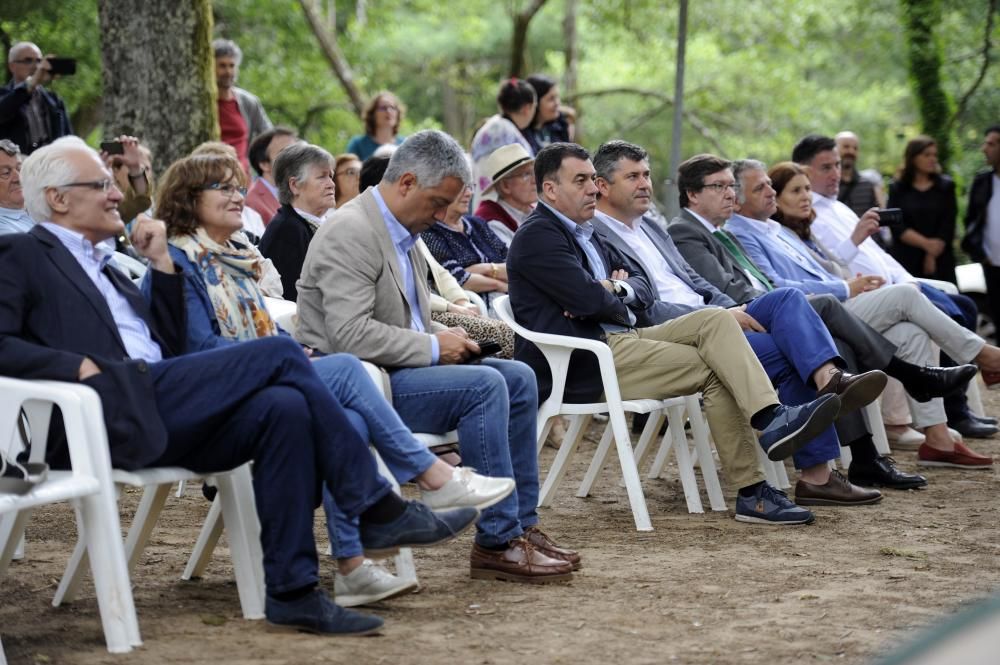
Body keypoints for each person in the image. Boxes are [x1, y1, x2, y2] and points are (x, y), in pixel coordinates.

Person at [0, 135, 480, 635]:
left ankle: (293, 592)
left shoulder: (114, 268)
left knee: (284, 408)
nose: (117, 193)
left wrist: (160, 265)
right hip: (91, 415)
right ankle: (377, 502)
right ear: (58, 198)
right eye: (100, 184)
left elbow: (164, 344)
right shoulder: (20, 254)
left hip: (154, 406)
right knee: (281, 353)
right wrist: (74, 366)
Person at [154, 151, 513, 607]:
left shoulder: (237, 256)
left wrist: (283, 352)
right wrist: (277, 355)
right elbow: (194, 351)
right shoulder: (177, 263)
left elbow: (261, 331)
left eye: (237, 186)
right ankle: (433, 478)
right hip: (215, 398)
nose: (237, 196)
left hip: (265, 379)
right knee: (344, 366)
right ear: (187, 199)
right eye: (222, 188)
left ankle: (353, 570)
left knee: (352, 418)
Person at [508, 142, 847, 525]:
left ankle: (772, 417)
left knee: (716, 319)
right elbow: (589, 302)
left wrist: (615, 289)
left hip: (626, 339)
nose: (593, 188)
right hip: (586, 361)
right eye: (581, 180)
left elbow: (643, 286)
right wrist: (608, 293)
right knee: (717, 369)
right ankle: (753, 492)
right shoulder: (539, 236)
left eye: (592, 179)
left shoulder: (588, 232)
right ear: (551, 189)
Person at [296, 130, 580, 581]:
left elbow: (404, 314)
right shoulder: (351, 231)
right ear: (406, 182)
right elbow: (348, 335)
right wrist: (432, 346)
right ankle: (498, 540)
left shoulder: (400, 227)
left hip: (398, 371)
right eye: (436, 203)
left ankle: (521, 526)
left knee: (519, 377)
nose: (441, 215)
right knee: (486, 385)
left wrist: (441, 334)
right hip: (364, 387)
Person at [593, 142, 920, 493]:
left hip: (719, 315)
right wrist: (719, 315)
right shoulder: (598, 234)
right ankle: (817, 477)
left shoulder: (651, 227)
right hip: (676, 333)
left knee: (788, 300)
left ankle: (831, 379)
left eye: (646, 174)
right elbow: (643, 305)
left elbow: (695, 281)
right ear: (603, 185)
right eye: (632, 176)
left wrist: (734, 309)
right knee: (792, 351)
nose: (645, 183)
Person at [729, 157, 996, 470]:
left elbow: (824, 267)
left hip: (840, 303)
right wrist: (846, 285)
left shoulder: (777, 228)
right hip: (819, 311)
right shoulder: (741, 232)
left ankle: (937, 439)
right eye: (761, 188)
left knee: (911, 333)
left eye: (771, 186)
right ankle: (984, 357)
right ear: (738, 199)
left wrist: (850, 280)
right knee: (907, 295)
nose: (771, 192)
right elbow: (774, 285)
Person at [259, 143, 336, 301]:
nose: (331, 184)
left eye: (331, 176)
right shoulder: (287, 230)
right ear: (294, 185)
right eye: (322, 177)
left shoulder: (314, 224)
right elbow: (291, 299)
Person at [420, 186, 509, 313]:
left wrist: (486, 269)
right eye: (461, 187)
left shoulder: (477, 224)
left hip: (507, 304)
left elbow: (515, 267)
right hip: (473, 309)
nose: (469, 193)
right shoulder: (430, 231)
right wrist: (501, 285)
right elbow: (458, 279)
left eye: (470, 187)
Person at [887, 136, 957, 283]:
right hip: (907, 258)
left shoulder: (945, 186)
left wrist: (931, 255)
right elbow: (896, 225)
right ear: (912, 158)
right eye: (926, 155)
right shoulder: (897, 188)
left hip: (941, 258)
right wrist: (927, 245)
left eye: (934, 155)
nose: (933, 159)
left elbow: (948, 224)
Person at [0, 42, 73, 154]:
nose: (36, 66)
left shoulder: (54, 100)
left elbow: (69, 137)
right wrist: (30, 84)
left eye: (39, 61)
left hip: (51, 163)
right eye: (28, 61)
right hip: (17, 165)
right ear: (12, 66)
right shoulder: (4, 95)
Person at [470, 79, 536, 200]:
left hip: (481, 199)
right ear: (527, 108)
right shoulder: (506, 130)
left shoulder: (492, 125)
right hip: (501, 204)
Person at [213, 39, 272, 175]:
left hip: (242, 180)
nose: (228, 71)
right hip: (211, 181)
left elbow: (270, 136)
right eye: (222, 66)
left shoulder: (248, 102)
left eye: (231, 66)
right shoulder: (202, 105)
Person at [961, 125, 1000, 331]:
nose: (984, 148)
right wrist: (980, 255)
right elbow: (971, 220)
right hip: (991, 264)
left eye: (991, 144)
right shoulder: (982, 181)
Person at [190, 141, 265, 242]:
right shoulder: (178, 251)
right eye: (225, 188)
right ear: (196, 191)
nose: (239, 198)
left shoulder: (251, 221)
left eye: (239, 189)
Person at [473, 143, 537, 246]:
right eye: (526, 174)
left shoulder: (533, 210)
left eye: (534, 173)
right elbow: (517, 260)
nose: (534, 180)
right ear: (505, 186)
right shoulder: (490, 222)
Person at [245, 126, 299, 223]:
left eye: (297, 152)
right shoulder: (252, 204)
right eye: (285, 153)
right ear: (264, 164)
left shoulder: (299, 193)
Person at [346, 92, 405, 161]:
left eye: (392, 107)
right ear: (373, 114)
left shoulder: (405, 144)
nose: (389, 111)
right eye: (383, 108)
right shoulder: (358, 144)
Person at [521, 74, 573, 154]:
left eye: (557, 97)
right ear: (535, 103)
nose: (557, 103)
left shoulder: (560, 125)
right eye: (551, 99)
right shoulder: (521, 135)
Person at [0, 139, 31, 234]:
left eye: (19, 168)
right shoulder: (4, 231)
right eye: (6, 173)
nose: (18, 178)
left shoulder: (39, 209)